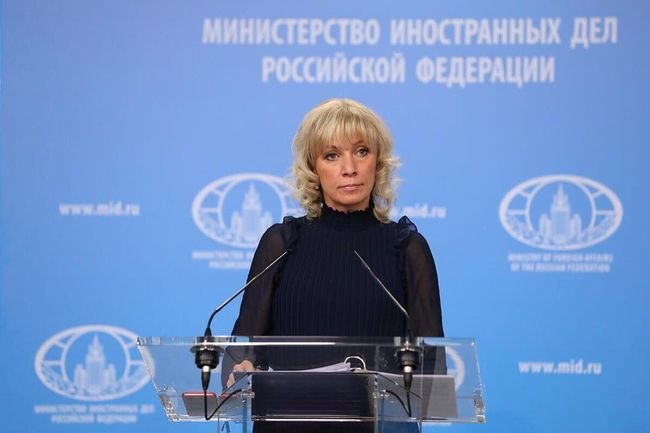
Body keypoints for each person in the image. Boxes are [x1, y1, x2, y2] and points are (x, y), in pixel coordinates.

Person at [226, 98, 444, 432]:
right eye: (332, 155)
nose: (349, 168)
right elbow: (243, 351)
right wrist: (240, 369)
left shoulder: (407, 248)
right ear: (313, 168)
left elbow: (432, 370)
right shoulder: (282, 244)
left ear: (378, 162)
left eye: (361, 151)